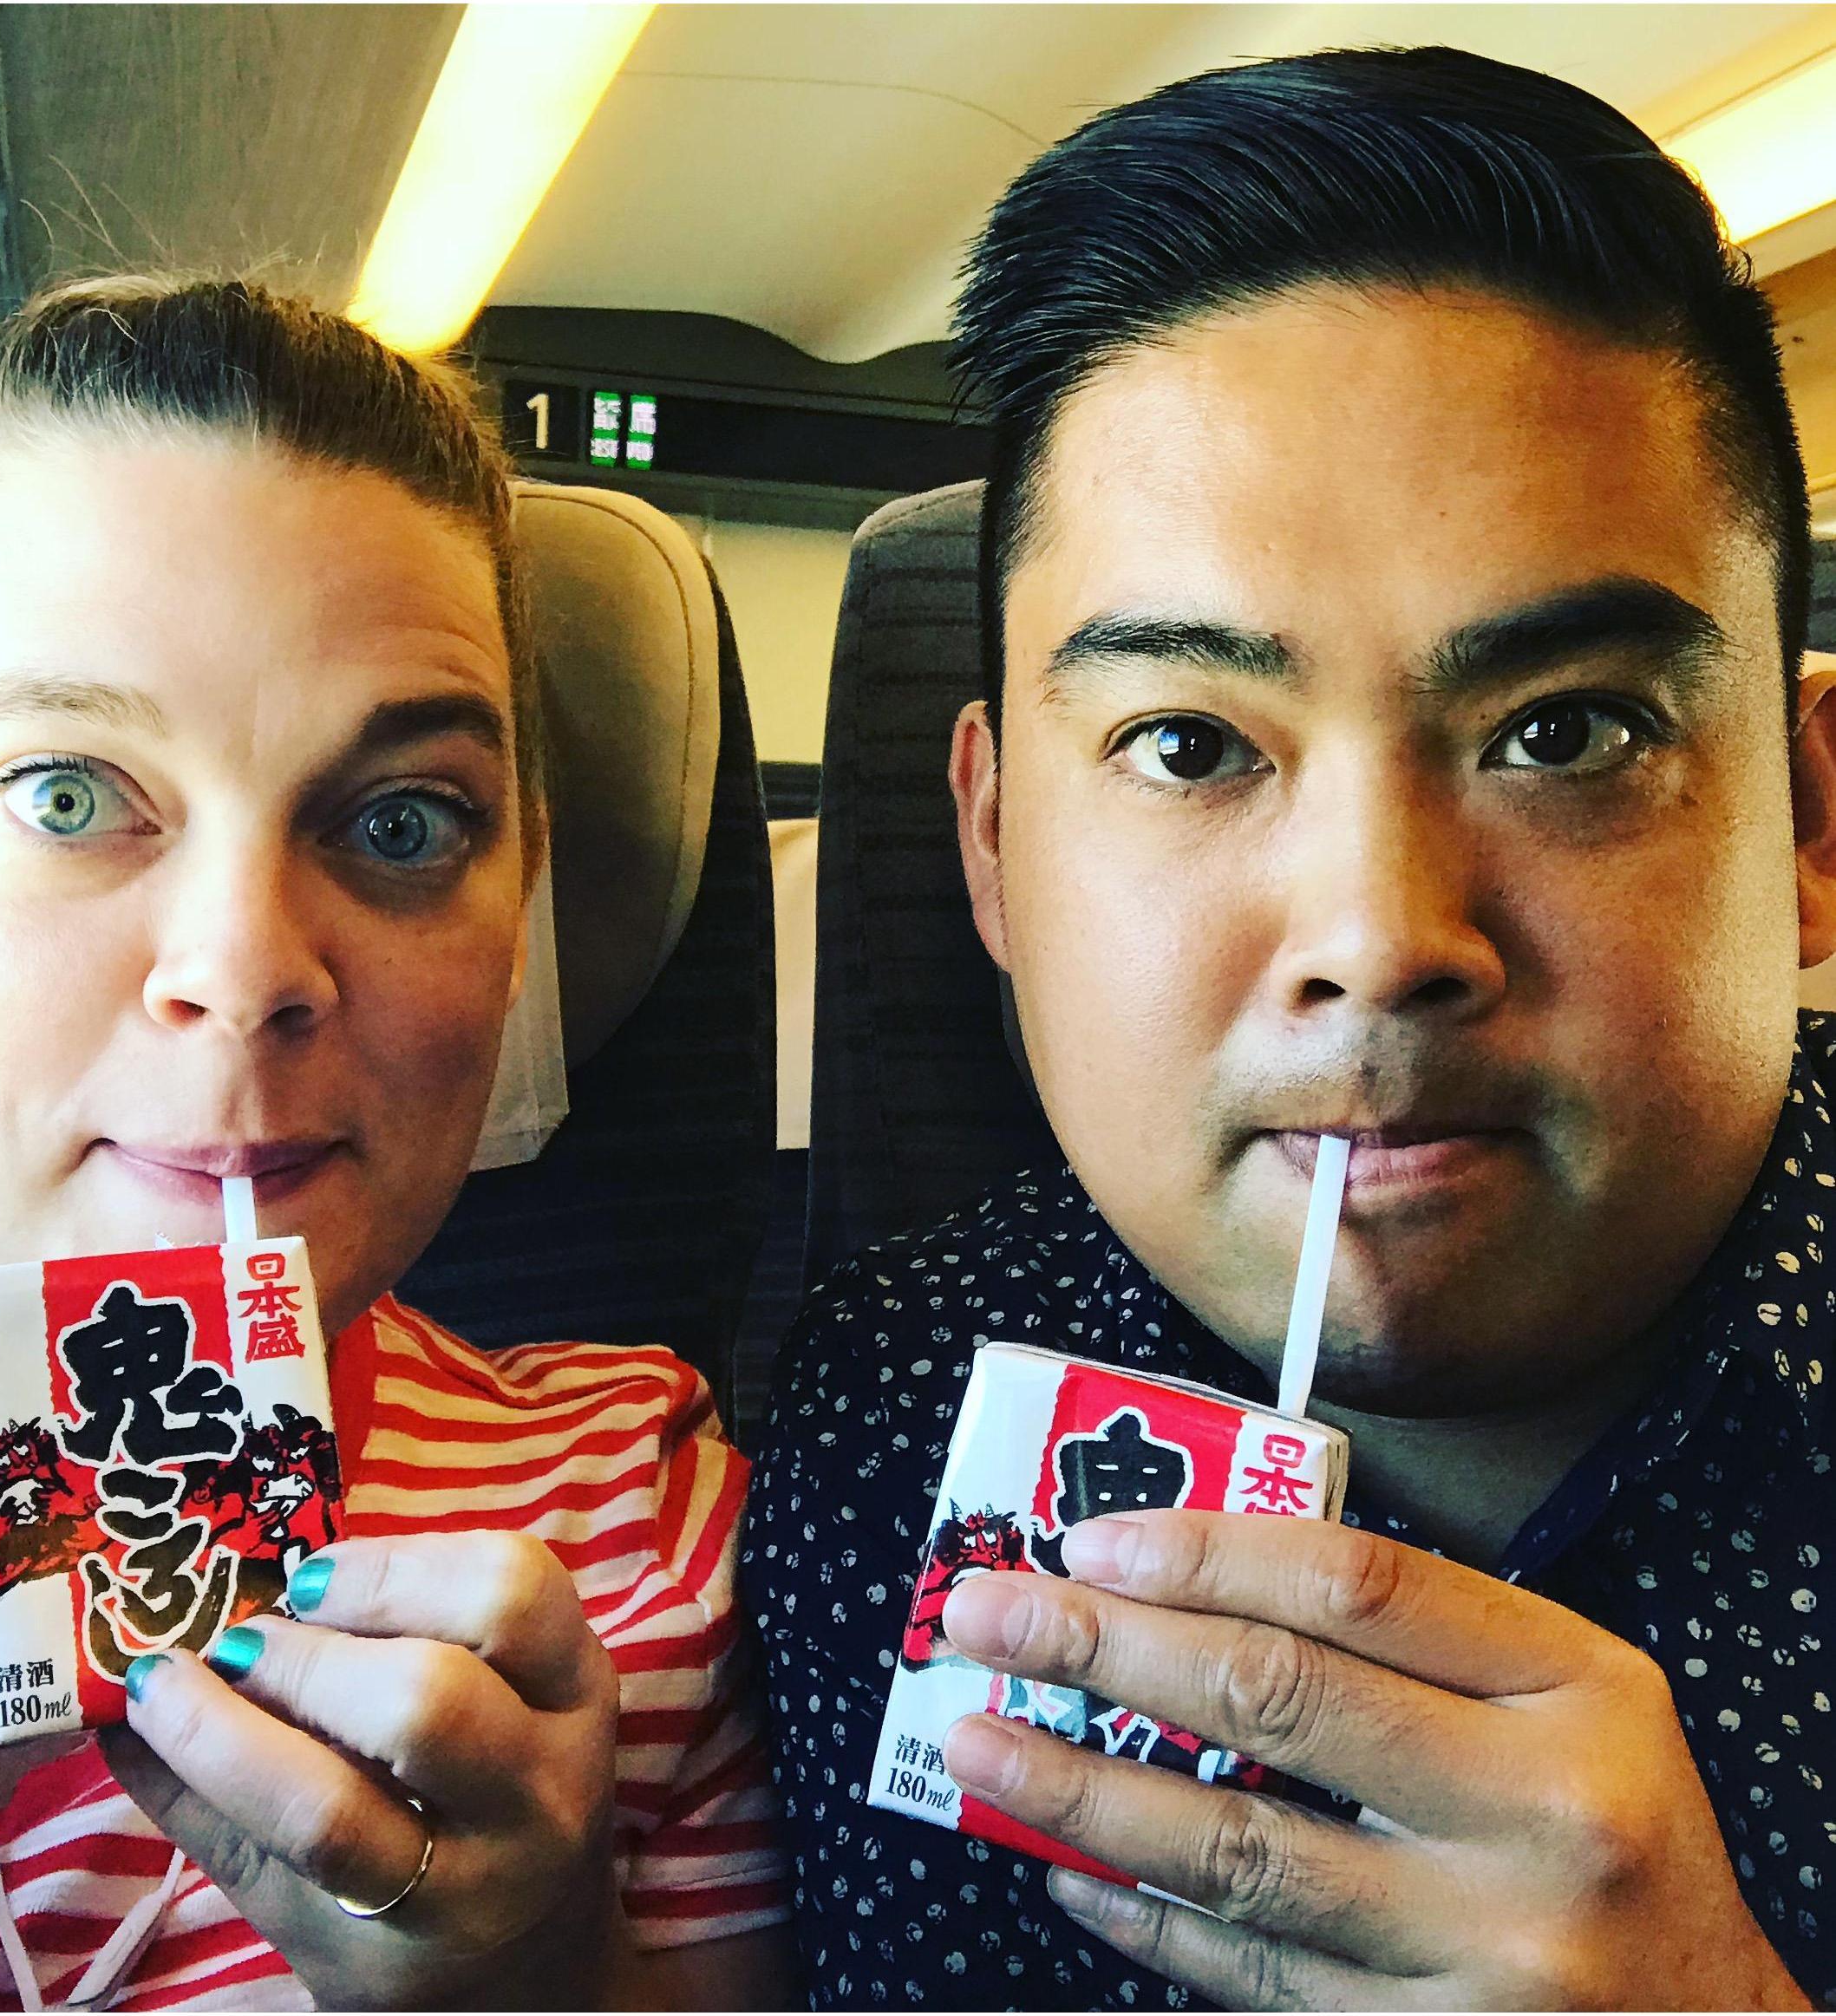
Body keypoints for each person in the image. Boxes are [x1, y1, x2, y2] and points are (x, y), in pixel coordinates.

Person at [743, 46, 1831, 2013]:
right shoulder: (870, 1420)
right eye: (1186, 743)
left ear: (1811, 821)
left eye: (1563, 730)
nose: (1378, 937)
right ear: (989, 845)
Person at [0, 277, 790, 2010]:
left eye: (403, 822)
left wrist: (547, 1981)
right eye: (69, 794)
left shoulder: (634, 1545)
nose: (249, 969)